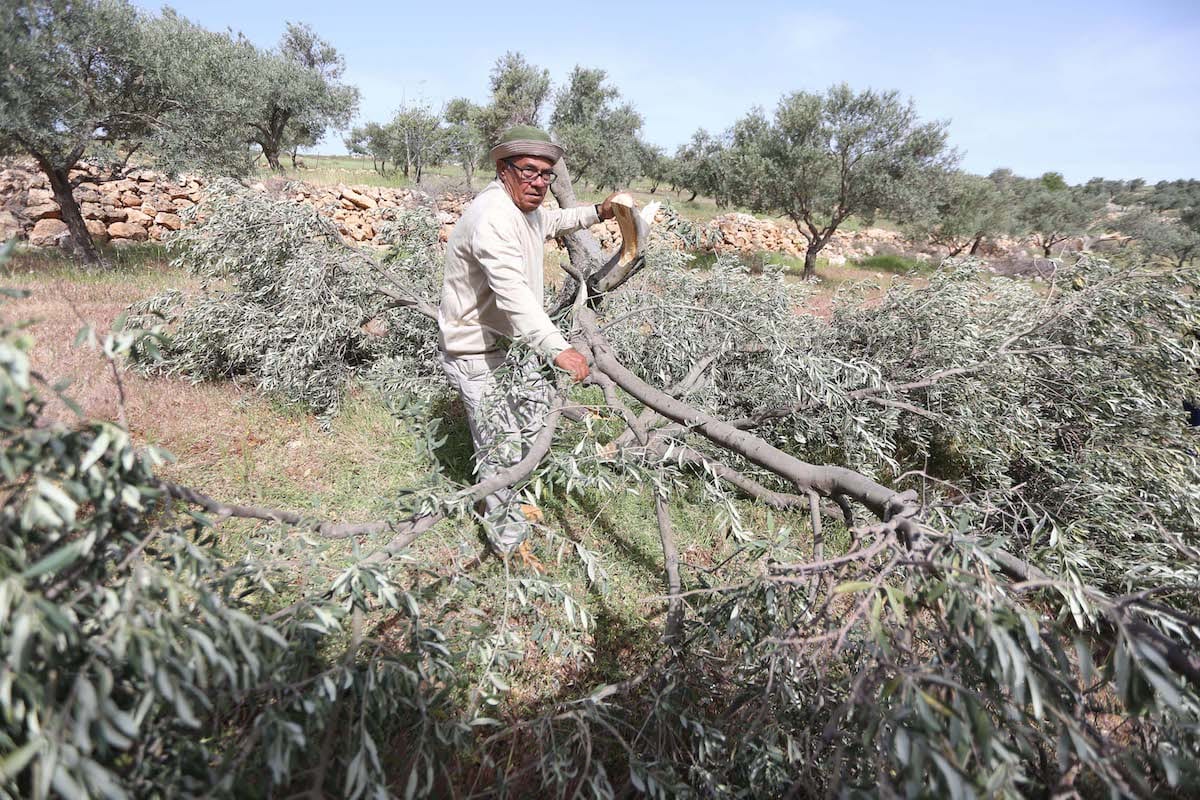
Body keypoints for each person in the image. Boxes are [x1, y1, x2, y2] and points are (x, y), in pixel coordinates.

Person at [438, 124, 621, 563]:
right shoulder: (492, 218)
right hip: (476, 352)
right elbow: (514, 296)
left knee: (532, 422)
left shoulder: (524, 209)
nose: (539, 182)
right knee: (499, 448)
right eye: (529, 171)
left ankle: (509, 504)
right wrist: (558, 348)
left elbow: (553, 221)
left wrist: (599, 211)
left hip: (511, 346)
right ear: (503, 169)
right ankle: (506, 546)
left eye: (546, 174)